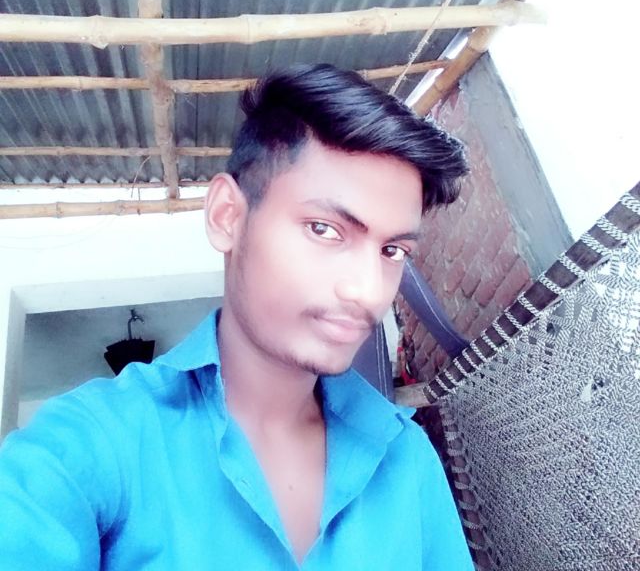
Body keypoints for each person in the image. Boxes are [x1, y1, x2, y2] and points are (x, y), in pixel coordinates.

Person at [0, 64, 473, 570]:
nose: (367, 290)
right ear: (228, 216)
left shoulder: (406, 457)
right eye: (324, 229)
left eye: (393, 251)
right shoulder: (95, 441)